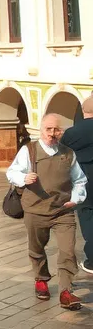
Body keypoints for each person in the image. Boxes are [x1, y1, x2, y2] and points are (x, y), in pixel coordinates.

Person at [8, 112, 87, 310]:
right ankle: (41, 279)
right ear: (41, 129)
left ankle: (66, 292)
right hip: (35, 210)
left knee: (68, 250)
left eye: (57, 129)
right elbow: (12, 171)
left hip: (63, 211)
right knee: (36, 249)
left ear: (62, 131)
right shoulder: (29, 151)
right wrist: (23, 178)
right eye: (48, 129)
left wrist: (76, 199)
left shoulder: (68, 153)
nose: (52, 134)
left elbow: (79, 180)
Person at [61, 96, 93, 275]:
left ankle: (92, 261)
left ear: (83, 112)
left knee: (88, 218)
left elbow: (61, 157)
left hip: (85, 181)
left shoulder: (72, 132)